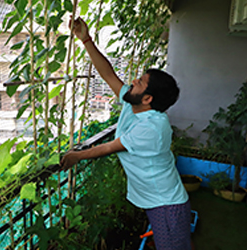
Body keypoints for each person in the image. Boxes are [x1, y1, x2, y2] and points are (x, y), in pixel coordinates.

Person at [61, 17, 191, 250]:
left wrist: (76, 156)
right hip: (158, 200)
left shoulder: (152, 126)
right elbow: (108, 75)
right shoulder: (136, 106)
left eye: (139, 82)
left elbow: (109, 147)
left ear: (148, 98)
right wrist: (86, 39)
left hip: (165, 204)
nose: (132, 81)